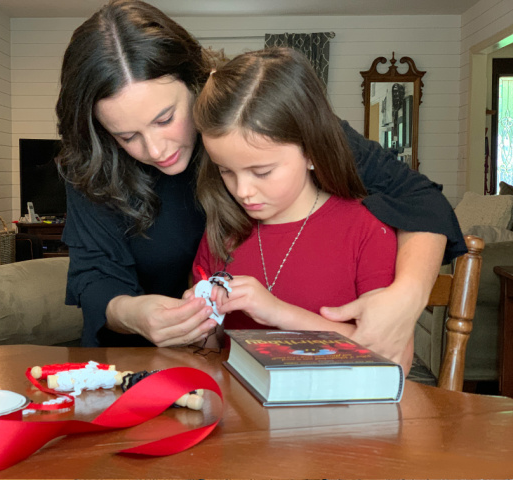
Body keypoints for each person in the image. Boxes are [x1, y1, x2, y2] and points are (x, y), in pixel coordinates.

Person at [55, 0, 464, 363]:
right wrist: (133, 313)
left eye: (165, 119)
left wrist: (407, 296)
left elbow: (417, 197)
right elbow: (94, 277)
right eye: (127, 136)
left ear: (196, 82)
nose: (156, 149)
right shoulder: (93, 164)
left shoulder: (260, 123)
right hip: (140, 359)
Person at [190, 47, 414, 369]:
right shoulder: (222, 230)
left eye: (262, 172)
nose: (243, 191)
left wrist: (279, 313)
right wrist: (197, 324)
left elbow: (397, 360)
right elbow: (210, 352)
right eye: (225, 170)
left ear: (311, 151)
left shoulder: (365, 229)